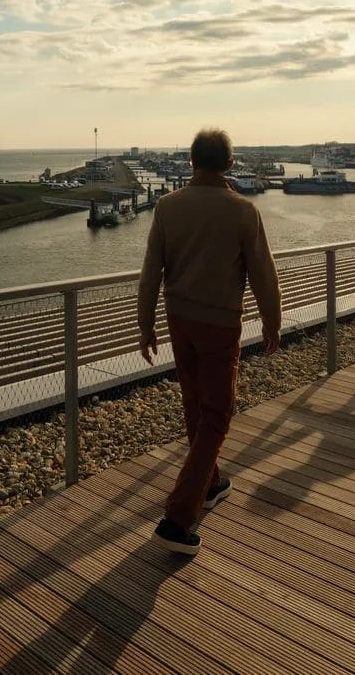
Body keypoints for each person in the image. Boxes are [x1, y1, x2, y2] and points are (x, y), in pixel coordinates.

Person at [137, 128, 282, 556]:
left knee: (195, 406)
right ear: (231, 165)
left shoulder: (167, 206)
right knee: (218, 414)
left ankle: (212, 482)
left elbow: (151, 272)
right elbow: (264, 274)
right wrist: (272, 323)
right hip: (219, 324)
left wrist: (145, 324)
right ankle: (177, 517)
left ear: (190, 163)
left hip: (179, 319)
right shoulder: (242, 211)